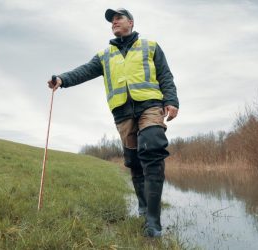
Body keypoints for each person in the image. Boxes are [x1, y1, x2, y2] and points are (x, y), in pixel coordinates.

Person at [47, 8, 179, 237]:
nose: (114, 22)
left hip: (150, 106)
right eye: (112, 20)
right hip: (123, 114)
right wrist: (62, 79)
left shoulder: (151, 46)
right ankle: (143, 207)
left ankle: (153, 223)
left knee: (153, 149)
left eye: (118, 18)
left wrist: (172, 100)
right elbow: (84, 71)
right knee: (134, 162)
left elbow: (165, 75)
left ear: (131, 22)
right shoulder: (104, 55)